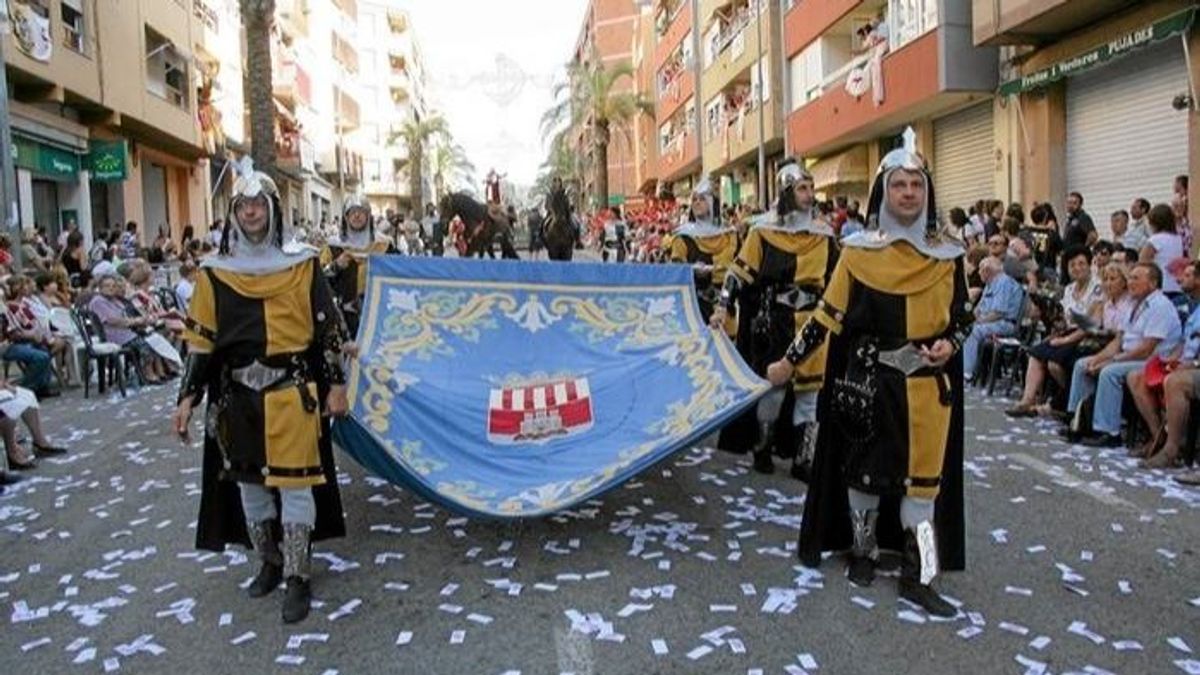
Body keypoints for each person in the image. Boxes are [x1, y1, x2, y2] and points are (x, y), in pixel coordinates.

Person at [781, 135, 970, 616]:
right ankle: (863, 552)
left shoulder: (948, 254)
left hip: (928, 387)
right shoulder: (858, 252)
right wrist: (789, 362)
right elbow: (827, 316)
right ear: (884, 191)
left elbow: (963, 316)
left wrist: (953, 343)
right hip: (868, 384)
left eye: (916, 184)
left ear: (927, 192)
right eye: (899, 184)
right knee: (863, 478)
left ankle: (921, 575)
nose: (908, 193)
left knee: (924, 486)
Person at [172, 159, 350, 624]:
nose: (251, 212)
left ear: (273, 209)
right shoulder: (214, 272)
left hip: (291, 390)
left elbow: (327, 329)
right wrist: (186, 398)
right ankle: (269, 561)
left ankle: (298, 575)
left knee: (294, 484)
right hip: (237, 396)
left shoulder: (302, 264)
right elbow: (201, 340)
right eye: (243, 205)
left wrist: (336, 386)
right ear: (234, 212)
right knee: (251, 484)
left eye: (258, 204)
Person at [711, 160, 837, 480]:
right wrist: (723, 306)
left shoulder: (823, 235)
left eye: (811, 188)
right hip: (777, 319)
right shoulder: (763, 232)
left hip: (813, 321)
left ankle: (803, 458)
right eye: (802, 188)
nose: (810, 195)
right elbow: (737, 274)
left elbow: (838, 281)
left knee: (810, 393)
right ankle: (763, 447)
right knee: (775, 390)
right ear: (786, 192)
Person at [1065, 263, 1181, 447]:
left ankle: (1108, 431)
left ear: (1152, 283)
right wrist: (1098, 359)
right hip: (1129, 356)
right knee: (1083, 364)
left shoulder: (1160, 306)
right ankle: (1076, 421)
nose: (1130, 282)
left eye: (1136, 278)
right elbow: (1118, 341)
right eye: (1130, 277)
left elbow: (1147, 349)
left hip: (1152, 361)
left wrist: (1112, 360)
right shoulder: (1133, 304)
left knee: (1109, 372)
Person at [1006, 246, 1104, 418]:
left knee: (1054, 363)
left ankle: (1068, 401)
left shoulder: (1098, 288)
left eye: (1081, 264)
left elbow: (1090, 325)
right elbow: (1066, 319)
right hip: (1068, 332)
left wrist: (1064, 340)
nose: (1077, 268)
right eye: (1072, 265)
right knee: (1036, 353)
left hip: (1089, 336)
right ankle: (1027, 400)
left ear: (1090, 265)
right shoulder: (1069, 289)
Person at [670, 176, 738, 326]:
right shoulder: (683, 238)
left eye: (702, 198)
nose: (697, 202)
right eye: (694, 199)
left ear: (713, 202)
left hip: (727, 307)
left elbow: (739, 271)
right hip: (696, 311)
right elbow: (675, 272)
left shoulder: (730, 235)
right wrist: (692, 270)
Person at [321, 194, 392, 336]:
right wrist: (336, 266)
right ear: (346, 217)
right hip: (343, 314)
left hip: (379, 309)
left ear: (368, 216)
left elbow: (399, 273)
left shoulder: (384, 245)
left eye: (361, 212)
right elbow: (319, 279)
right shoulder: (333, 246)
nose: (357, 216)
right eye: (352, 212)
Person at [962, 256, 1024, 381]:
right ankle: (962, 366)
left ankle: (967, 372)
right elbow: (978, 310)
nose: (978, 273)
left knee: (974, 330)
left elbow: (998, 313)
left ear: (987, 270)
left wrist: (978, 321)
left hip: (1005, 324)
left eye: (980, 269)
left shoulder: (1003, 282)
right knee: (963, 327)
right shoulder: (990, 284)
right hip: (991, 322)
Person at [1140, 203, 1184, 298]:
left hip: (1160, 287)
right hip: (1176, 286)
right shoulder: (1178, 239)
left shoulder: (1155, 239)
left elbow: (1142, 262)